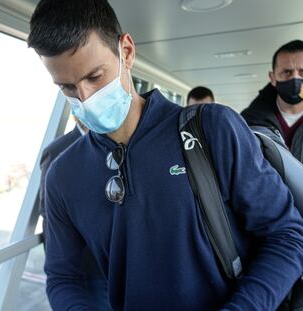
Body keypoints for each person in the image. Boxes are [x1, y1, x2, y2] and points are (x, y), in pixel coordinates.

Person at [27, 1, 303, 310]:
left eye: (95, 76)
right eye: (67, 87)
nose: (85, 98)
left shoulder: (213, 130)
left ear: (127, 52)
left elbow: (286, 235)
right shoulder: (64, 175)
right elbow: (64, 277)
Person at [39, 120, 111, 310]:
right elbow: (49, 213)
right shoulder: (57, 150)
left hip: (119, 265)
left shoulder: (114, 142)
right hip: (88, 267)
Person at [242, 40, 303, 163]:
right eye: (287, 72)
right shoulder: (248, 122)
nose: (295, 78)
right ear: (273, 78)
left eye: (302, 72)